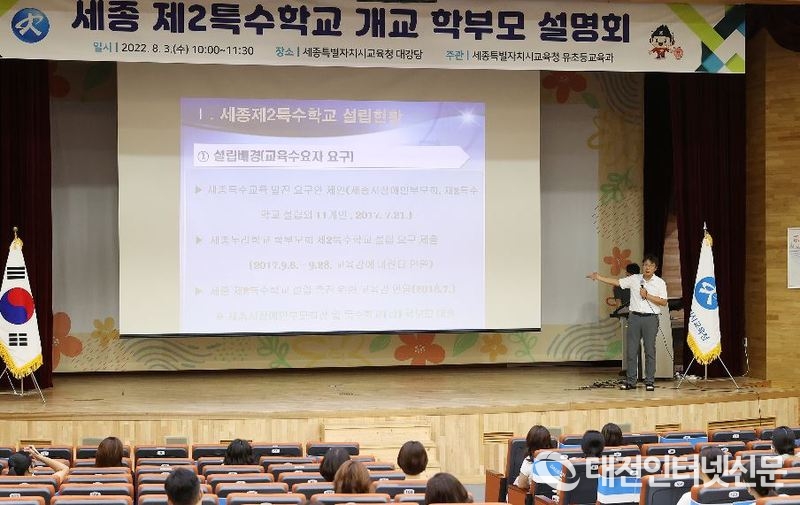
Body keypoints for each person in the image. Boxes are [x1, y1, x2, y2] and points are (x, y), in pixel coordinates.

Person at [587, 253, 668, 391]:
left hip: (650, 319)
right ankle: (631, 381)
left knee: (649, 351)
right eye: (645, 265)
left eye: (651, 265)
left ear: (655, 268)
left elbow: (664, 302)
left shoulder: (660, 282)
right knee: (631, 351)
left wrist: (647, 295)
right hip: (634, 318)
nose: (647, 268)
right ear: (643, 266)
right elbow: (617, 282)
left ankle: (649, 381)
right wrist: (599, 277)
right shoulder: (635, 279)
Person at [512, 425, 554, 489]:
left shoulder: (528, 462)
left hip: (531, 494)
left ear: (529, 442)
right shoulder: (555, 459)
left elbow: (521, 485)